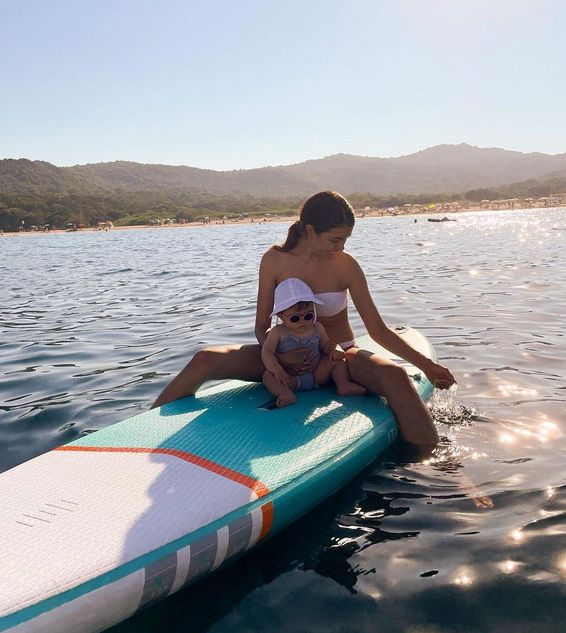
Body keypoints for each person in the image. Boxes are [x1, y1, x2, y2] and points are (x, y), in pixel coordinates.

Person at [151, 191, 455, 448]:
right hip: (283, 356)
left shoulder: (346, 266)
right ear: (310, 231)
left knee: (396, 378)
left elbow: (376, 330)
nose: (340, 248)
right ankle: (145, 436)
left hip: (339, 357)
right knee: (205, 359)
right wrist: (277, 361)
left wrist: (426, 366)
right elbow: (261, 327)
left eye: (345, 240)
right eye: (335, 240)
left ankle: (436, 464)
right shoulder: (274, 260)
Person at [262, 278, 366, 407]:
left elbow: (326, 344)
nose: (303, 321)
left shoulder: (317, 327)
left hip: (317, 374)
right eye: (295, 318)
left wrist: (335, 349)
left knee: (338, 361)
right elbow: (267, 352)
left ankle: (343, 385)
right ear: (281, 316)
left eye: (308, 316)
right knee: (268, 376)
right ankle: (285, 394)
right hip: (290, 378)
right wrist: (278, 370)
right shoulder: (278, 332)